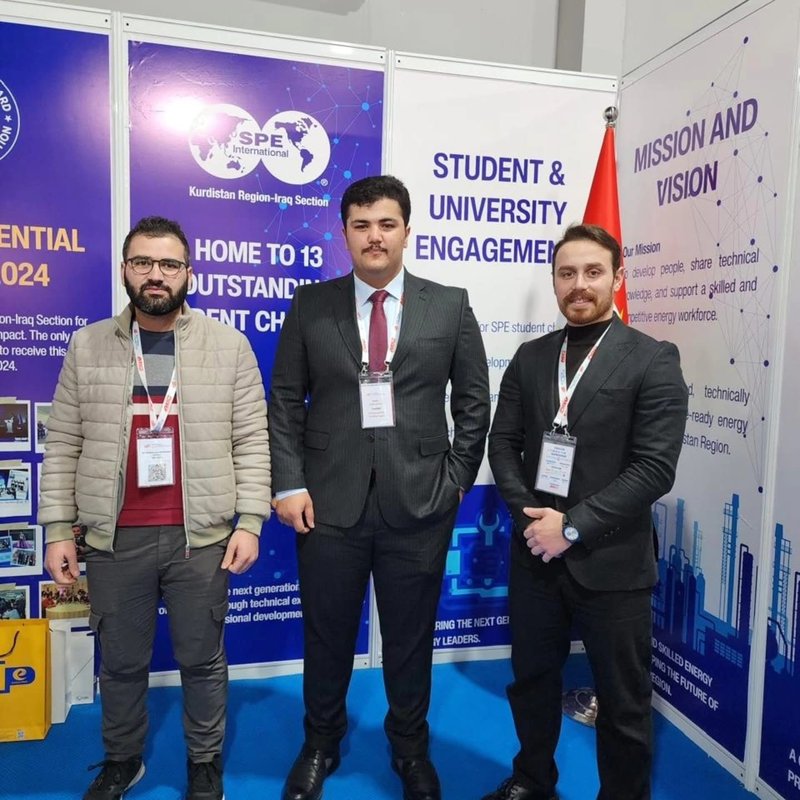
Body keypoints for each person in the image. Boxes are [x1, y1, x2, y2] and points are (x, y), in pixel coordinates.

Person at [269, 175, 490, 800]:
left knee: (410, 640)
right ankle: (321, 743)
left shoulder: (449, 305)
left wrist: (454, 483)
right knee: (327, 635)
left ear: (406, 231)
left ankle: (410, 749)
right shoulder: (311, 305)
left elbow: (474, 402)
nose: (374, 236)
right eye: (361, 225)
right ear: (344, 233)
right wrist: (289, 483)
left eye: (386, 224)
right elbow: (284, 400)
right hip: (326, 504)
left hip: (419, 503)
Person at [38, 215, 271, 800]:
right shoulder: (88, 345)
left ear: (189, 272)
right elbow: (63, 441)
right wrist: (58, 527)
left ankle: (204, 761)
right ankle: (123, 760)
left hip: (202, 539)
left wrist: (250, 520)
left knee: (202, 660)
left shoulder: (229, 346)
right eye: (143, 262)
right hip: (115, 539)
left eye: (169, 264)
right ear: (125, 270)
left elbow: (252, 439)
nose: (156, 275)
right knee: (120, 663)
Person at [483, 224, 688, 800]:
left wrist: (571, 527)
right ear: (554, 281)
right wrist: (531, 519)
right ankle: (532, 780)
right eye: (567, 273)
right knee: (531, 682)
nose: (579, 284)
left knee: (623, 702)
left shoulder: (652, 358)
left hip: (612, 563)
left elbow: (654, 469)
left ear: (617, 278)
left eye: (593, 272)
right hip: (536, 555)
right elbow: (503, 443)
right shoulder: (531, 357)